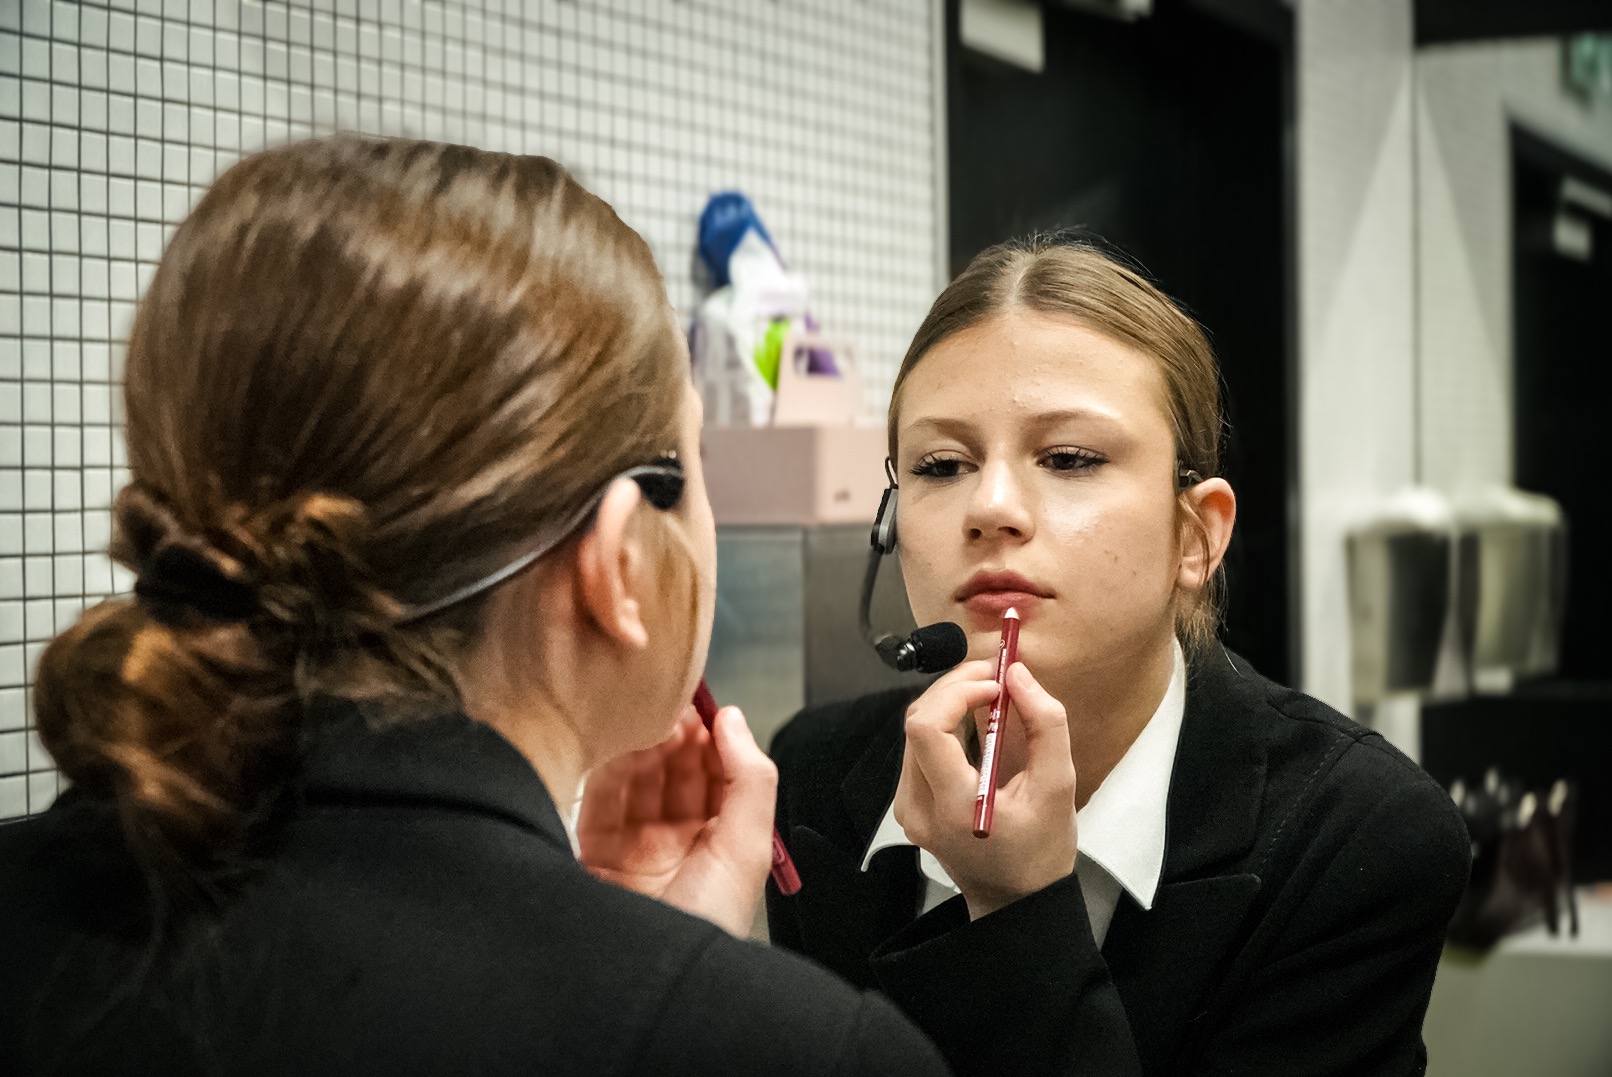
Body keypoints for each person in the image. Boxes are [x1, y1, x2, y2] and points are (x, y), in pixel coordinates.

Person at [0, 135, 956, 1077]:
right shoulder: (808, 1054)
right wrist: (676, 989)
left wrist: (659, 956)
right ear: (620, 559)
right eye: (698, 456)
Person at [767, 236, 1473, 1076]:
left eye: (1069, 458)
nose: (990, 507)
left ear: (1196, 535)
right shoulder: (811, 779)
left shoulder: (1358, 837)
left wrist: (1017, 911)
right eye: (941, 464)